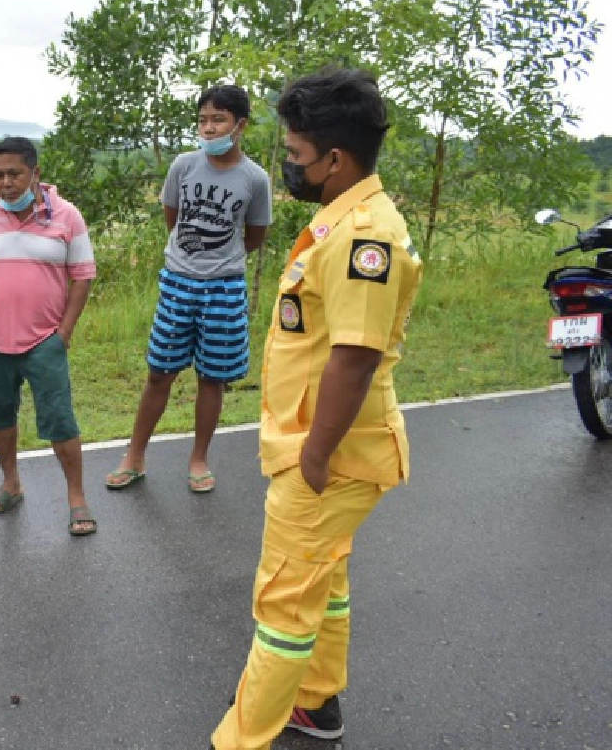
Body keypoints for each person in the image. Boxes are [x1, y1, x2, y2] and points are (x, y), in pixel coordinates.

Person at [210, 69, 423, 749]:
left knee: (282, 602)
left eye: (296, 155)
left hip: (332, 452)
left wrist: (314, 455)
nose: (288, 165)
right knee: (323, 580)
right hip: (326, 445)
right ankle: (316, 701)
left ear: (336, 159)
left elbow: (355, 357)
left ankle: (241, 738)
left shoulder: (367, 237)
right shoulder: (342, 222)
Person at [105, 85, 271, 494]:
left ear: (240, 125)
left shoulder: (255, 178)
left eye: (218, 120)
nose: (209, 128)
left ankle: (199, 459)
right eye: (203, 120)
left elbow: (254, 235)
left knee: (212, 378)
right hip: (178, 282)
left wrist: (219, 261)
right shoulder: (183, 166)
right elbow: (172, 217)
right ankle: (134, 456)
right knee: (159, 372)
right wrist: (191, 259)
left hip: (225, 289)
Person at [0, 137, 98, 536]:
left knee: (60, 420)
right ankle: (11, 483)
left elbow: (82, 277)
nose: (6, 183)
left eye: (15, 174)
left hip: (45, 340)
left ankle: (77, 499)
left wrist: (64, 331)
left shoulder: (67, 217)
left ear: (35, 174)